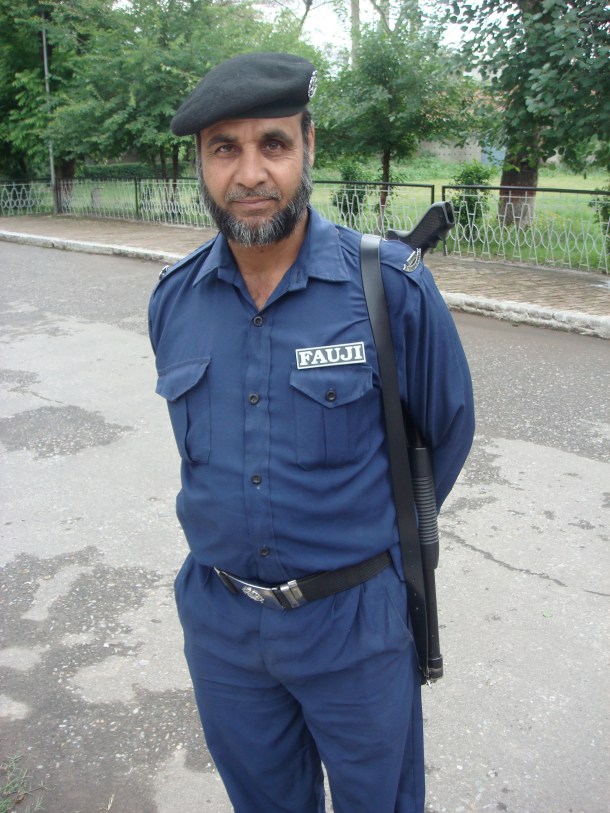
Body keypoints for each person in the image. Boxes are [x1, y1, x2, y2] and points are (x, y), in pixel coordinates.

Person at [149, 51, 474, 813]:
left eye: (274, 144)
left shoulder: (389, 288)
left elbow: (443, 437)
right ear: (200, 163)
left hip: (354, 628)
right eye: (225, 148)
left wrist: (368, 550)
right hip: (223, 626)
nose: (251, 172)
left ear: (309, 147)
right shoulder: (174, 301)